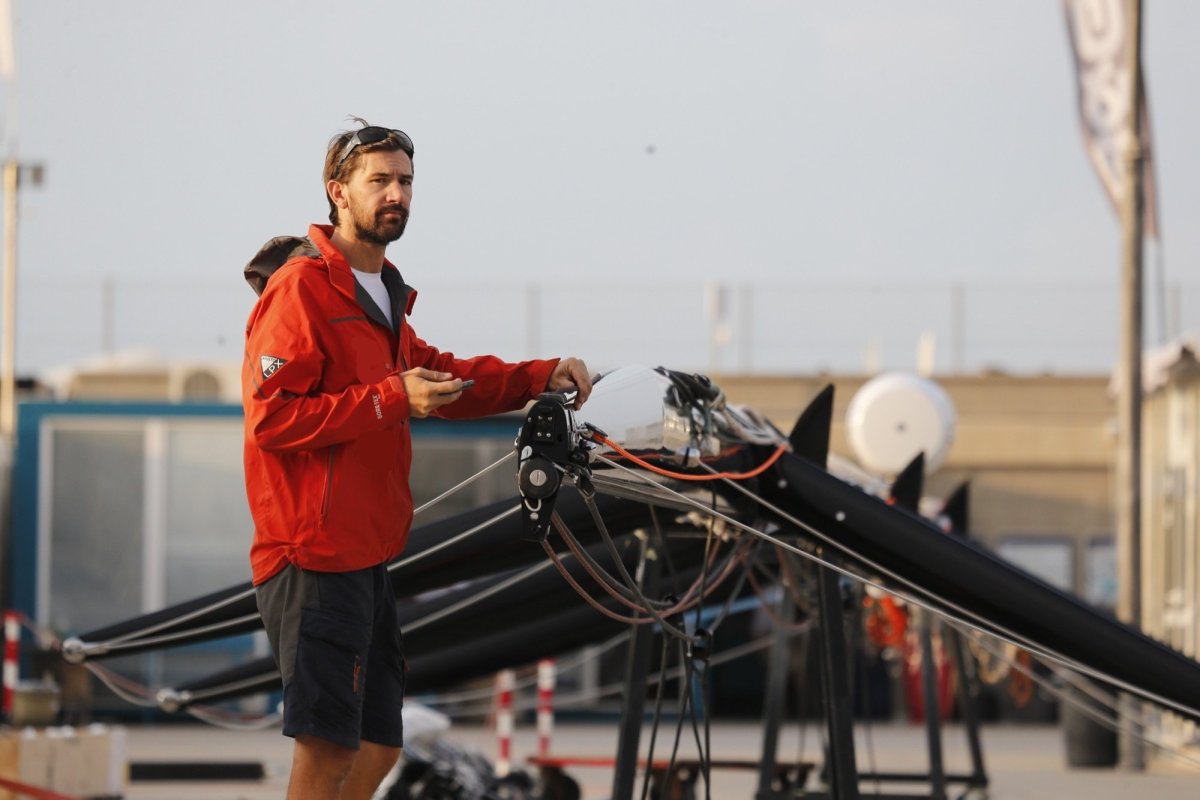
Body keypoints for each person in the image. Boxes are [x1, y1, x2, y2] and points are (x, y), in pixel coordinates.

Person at [241, 120, 592, 800]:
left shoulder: (384, 297)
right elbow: (273, 419)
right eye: (379, 180)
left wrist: (539, 375)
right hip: (312, 555)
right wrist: (389, 398)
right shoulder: (303, 290)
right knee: (328, 747)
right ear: (337, 192)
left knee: (378, 745)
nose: (395, 193)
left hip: (367, 557)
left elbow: (446, 379)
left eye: (404, 181)